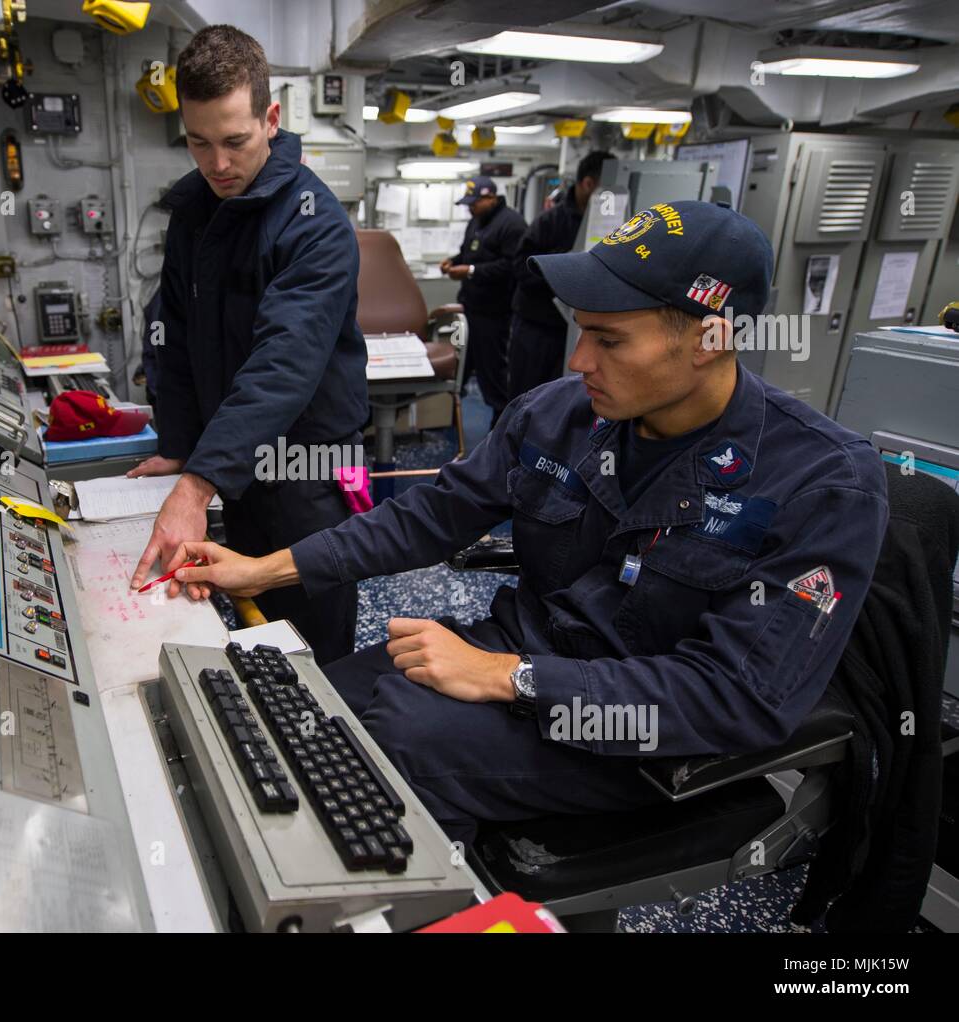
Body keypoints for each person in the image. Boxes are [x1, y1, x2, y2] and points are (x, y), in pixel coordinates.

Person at [161, 200, 890, 845]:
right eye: (581, 333)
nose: (580, 360)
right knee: (301, 702)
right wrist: (263, 569)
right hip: (523, 648)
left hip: (638, 729)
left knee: (401, 740)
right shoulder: (559, 413)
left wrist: (513, 678)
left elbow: (740, 698)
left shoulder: (824, 482)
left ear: (711, 339)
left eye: (609, 340)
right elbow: (428, 517)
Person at [127, 25, 368, 664]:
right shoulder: (194, 213)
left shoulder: (317, 226)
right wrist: (182, 449)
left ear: (271, 118)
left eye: (235, 141)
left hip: (306, 467)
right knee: (238, 620)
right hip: (231, 457)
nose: (218, 164)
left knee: (309, 636)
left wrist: (197, 485)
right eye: (198, 143)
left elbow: (282, 366)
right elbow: (171, 338)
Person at [507, 149, 613, 400]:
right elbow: (521, 267)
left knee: (565, 398)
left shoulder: (612, 223)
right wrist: (561, 276)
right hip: (539, 327)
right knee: (526, 395)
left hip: (577, 329)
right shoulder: (550, 222)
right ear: (588, 184)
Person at [440, 176, 526, 424]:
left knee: (492, 374)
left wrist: (470, 271)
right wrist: (454, 261)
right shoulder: (477, 221)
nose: (470, 208)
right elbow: (469, 252)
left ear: (490, 197)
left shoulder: (512, 224)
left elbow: (512, 267)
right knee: (460, 367)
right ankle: (452, 424)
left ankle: (500, 431)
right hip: (469, 308)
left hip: (493, 314)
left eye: (474, 202)